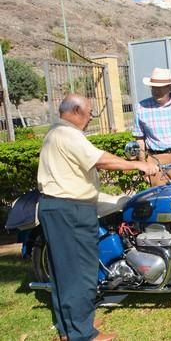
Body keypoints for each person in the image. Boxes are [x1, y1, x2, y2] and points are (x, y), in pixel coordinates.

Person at [37, 94, 157, 341]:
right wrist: (138, 165)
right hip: (71, 209)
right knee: (81, 273)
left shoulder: (56, 132)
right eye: (90, 112)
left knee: (65, 274)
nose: (91, 117)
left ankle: (70, 329)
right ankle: (83, 335)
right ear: (76, 111)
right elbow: (100, 160)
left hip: (57, 207)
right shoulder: (67, 134)